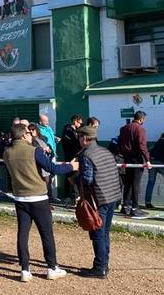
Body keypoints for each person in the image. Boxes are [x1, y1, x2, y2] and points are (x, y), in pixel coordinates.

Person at [2, 124, 77, 281]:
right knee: (46, 234)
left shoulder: (7, 152)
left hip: (20, 198)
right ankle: (51, 267)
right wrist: (72, 166)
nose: (31, 136)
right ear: (23, 136)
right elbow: (52, 169)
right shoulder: (33, 150)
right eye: (29, 133)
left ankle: (25, 270)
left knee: (22, 234)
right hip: (38, 197)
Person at [77, 125, 122, 279]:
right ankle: (104, 263)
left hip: (99, 199)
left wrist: (76, 177)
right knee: (105, 232)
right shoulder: (105, 151)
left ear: (83, 138)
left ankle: (99, 267)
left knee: (97, 233)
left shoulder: (86, 155)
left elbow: (88, 179)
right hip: (113, 195)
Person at [118, 111, 151, 217]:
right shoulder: (140, 129)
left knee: (127, 183)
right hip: (136, 159)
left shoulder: (123, 128)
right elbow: (142, 146)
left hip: (126, 159)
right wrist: (147, 160)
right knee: (135, 184)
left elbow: (120, 143)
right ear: (141, 119)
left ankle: (125, 206)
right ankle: (135, 208)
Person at [61, 114, 84, 201]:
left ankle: (73, 195)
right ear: (75, 121)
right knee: (71, 175)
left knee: (74, 175)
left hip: (75, 156)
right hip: (70, 157)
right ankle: (73, 195)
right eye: (79, 123)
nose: (80, 125)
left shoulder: (76, 131)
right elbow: (70, 145)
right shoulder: (68, 131)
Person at [37, 114, 59, 202]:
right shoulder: (38, 130)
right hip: (45, 155)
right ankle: (47, 196)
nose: (47, 122)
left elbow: (52, 136)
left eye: (47, 120)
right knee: (46, 176)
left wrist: (56, 138)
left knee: (52, 175)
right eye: (45, 121)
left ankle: (51, 195)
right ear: (40, 121)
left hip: (52, 154)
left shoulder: (48, 128)